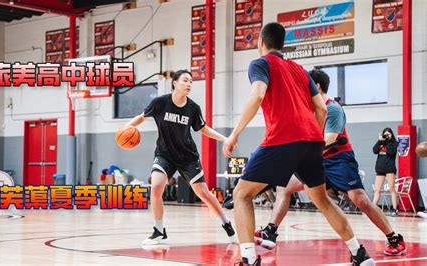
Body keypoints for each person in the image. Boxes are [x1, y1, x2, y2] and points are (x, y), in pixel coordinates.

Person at [222, 22, 374, 266]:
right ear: (282, 44)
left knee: (241, 194)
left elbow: (257, 94)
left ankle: (248, 259)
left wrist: (234, 133)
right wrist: (311, 132)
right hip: (313, 141)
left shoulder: (260, 63)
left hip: (282, 138)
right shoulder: (300, 69)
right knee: (322, 200)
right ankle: (359, 253)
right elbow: (321, 109)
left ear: (261, 42)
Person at [254, 69, 406, 256]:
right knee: (284, 188)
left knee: (360, 199)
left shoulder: (332, 108)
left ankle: (394, 238)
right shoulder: (308, 108)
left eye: (306, 85)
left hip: (339, 160)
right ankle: (271, 231)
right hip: (317, 159)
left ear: (316, 86)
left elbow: (330, 139)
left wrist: (297, 153)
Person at [127, 70, 236, 245]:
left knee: (204, 194)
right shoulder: (160, 103)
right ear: (175, 83)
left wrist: (226, 139)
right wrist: (126, 128)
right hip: (165, 155)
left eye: (191, 82)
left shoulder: (193, 108)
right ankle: (158, 230)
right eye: (185, 80)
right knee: (156, 187)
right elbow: (142, 117)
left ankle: (227, 223)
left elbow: (204, 128)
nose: (189, 84)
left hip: (188, 157)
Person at [372, 127, 399, 216]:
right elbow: (375, 151)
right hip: (380, 169)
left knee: (392, 189)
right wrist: (380, 141)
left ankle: (395, 209)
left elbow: (391, 152)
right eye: (385, 134)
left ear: (391, 134)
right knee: (377, 190)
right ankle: (372, 210)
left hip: (389, 169)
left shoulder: (394, 143)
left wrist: (388, 141)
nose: (386, 136)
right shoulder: (381, 142)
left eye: (388, 134)